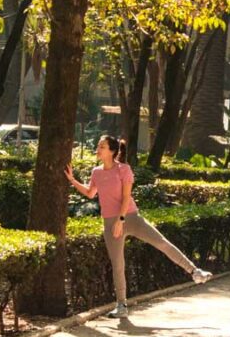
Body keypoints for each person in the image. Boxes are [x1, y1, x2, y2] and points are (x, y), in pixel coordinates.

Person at [65, 135, 211, 318]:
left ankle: (194, 271)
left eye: (101, 146)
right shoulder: (96, 172)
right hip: (109, 222)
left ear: (111, 151)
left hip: (130, 217)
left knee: (161, 242)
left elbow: (126, 197)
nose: (97, 149)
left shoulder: (123, 169)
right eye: (98, 146)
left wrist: (121, 219)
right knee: (117, 264)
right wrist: (72, 180)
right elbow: (90, 193)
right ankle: (121, 306)